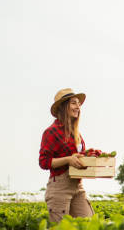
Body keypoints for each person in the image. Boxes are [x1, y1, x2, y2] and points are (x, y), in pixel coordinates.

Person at [39, 88, 94, 222]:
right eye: (74, 103)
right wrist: (68, 160)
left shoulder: (77, 134)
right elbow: (44, 162)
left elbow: (78, 158)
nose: (78, 107)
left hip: (77, 185)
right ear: (64, 107)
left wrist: (90, 157)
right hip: (59, 187)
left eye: (79, 104)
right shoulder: (51, 132)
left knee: (89, 224)